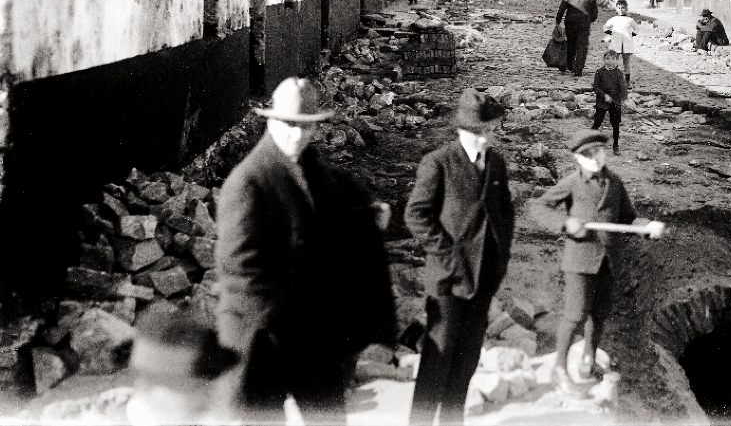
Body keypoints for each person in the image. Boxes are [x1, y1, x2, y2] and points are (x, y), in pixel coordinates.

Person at [216, 77, 396, 423]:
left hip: (312, 334)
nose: (297, 135)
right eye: (289, 125)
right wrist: (290, 323)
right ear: (270, 120)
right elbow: (241, 271)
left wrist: (366, 220)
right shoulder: (248, 181)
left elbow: (324, 223)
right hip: (261, 337)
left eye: (306, 127)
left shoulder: (312, 170)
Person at [405, 89, 515, 425]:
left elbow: (505, 213)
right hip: (448, 282)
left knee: (466, 360)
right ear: (463, 131)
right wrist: (449, 256)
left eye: (490, 131)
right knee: (438, 359)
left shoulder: (496, 163)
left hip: (483, 278)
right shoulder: (438, 162)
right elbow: (416, 214)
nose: (487, 139)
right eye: (480, 133)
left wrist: (501, 256)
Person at [529, 130, 649, 392]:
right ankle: (560, 367)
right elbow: (538, 207)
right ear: (577, 159)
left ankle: (588, 358)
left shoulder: (615, 182)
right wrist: (565, 222)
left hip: (608, 261)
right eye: (587, 154)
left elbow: (627, 218)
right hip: (580, 261)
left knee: (599, 313)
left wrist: (646, 226)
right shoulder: (572, 183)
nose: (595, 158)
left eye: (598, 152)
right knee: (574, 315)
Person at [127, 307, 240, 426]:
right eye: (139, 374)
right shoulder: (140, 411)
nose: (140, 387)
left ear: (207, 386)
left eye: (160, 381)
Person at [555, 0, 599, 77]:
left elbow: (561, 9)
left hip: (570, 23)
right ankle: (578, 69)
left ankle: (570, 65)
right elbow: (595, 14)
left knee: (571, 43)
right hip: (584, 24)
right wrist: (588, 20)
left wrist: (557, 22)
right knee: (582, 46)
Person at [592, 50, 628, 156]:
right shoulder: (599, 72)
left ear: (617, 60)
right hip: (602, 102)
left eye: (613, 59)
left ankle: (615, 145)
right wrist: (604, 95)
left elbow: (623, 87)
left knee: (615, 124)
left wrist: (625, 99)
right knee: (597, 122)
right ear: (604, 60)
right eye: (607, 58)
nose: (610, 61)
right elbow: (595, 87)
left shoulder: (619, 73)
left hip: (615, 101)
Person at [603, 0, 640, 87]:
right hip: (616, 44)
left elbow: (636, 28)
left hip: (627, 44)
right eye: (619, 8)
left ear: (626, 8)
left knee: (626, 63)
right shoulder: (614, 19)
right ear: (616, 9)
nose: (621, 10)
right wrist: (611, 33)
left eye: (623, 8)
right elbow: (605, 27)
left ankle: (627, 81)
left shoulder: (630, 20)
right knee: (614, 62)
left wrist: (632, 34)